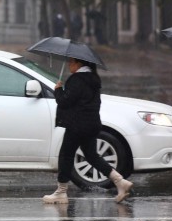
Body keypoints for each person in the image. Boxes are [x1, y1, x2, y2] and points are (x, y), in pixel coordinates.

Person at [43, 58, 133, 204]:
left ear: (79, 64)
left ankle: (61, 192)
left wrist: (58, 90)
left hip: (76, 125)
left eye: (71, 62)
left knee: (66, 156)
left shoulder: (77, 79)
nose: (69, 64)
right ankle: (120, 182)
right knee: (92, 156)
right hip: (91, 124)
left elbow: (65, 101)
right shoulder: (93, 79)